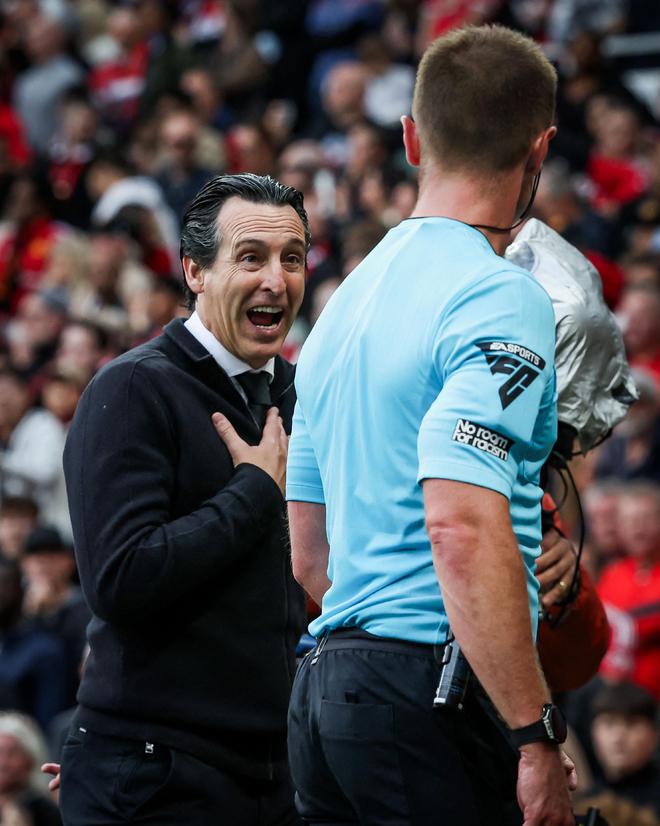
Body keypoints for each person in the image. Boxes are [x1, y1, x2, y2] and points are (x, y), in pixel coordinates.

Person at [286, 24, 576, 826]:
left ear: (412, 138)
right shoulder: (499, 295)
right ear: (540, 149)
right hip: (429, 694)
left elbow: (309, 554)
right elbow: (460, 523)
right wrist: (533, 733)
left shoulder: (342, 304)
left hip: (325, 698)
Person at [59, 173, 307, 825]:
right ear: (195, 271)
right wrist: (254, 491)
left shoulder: (303, 394)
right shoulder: (132, 388)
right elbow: (119, 578)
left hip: (275, 770)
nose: (276, 280)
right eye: (250, 257)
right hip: (153, 773)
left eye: (292, 259)